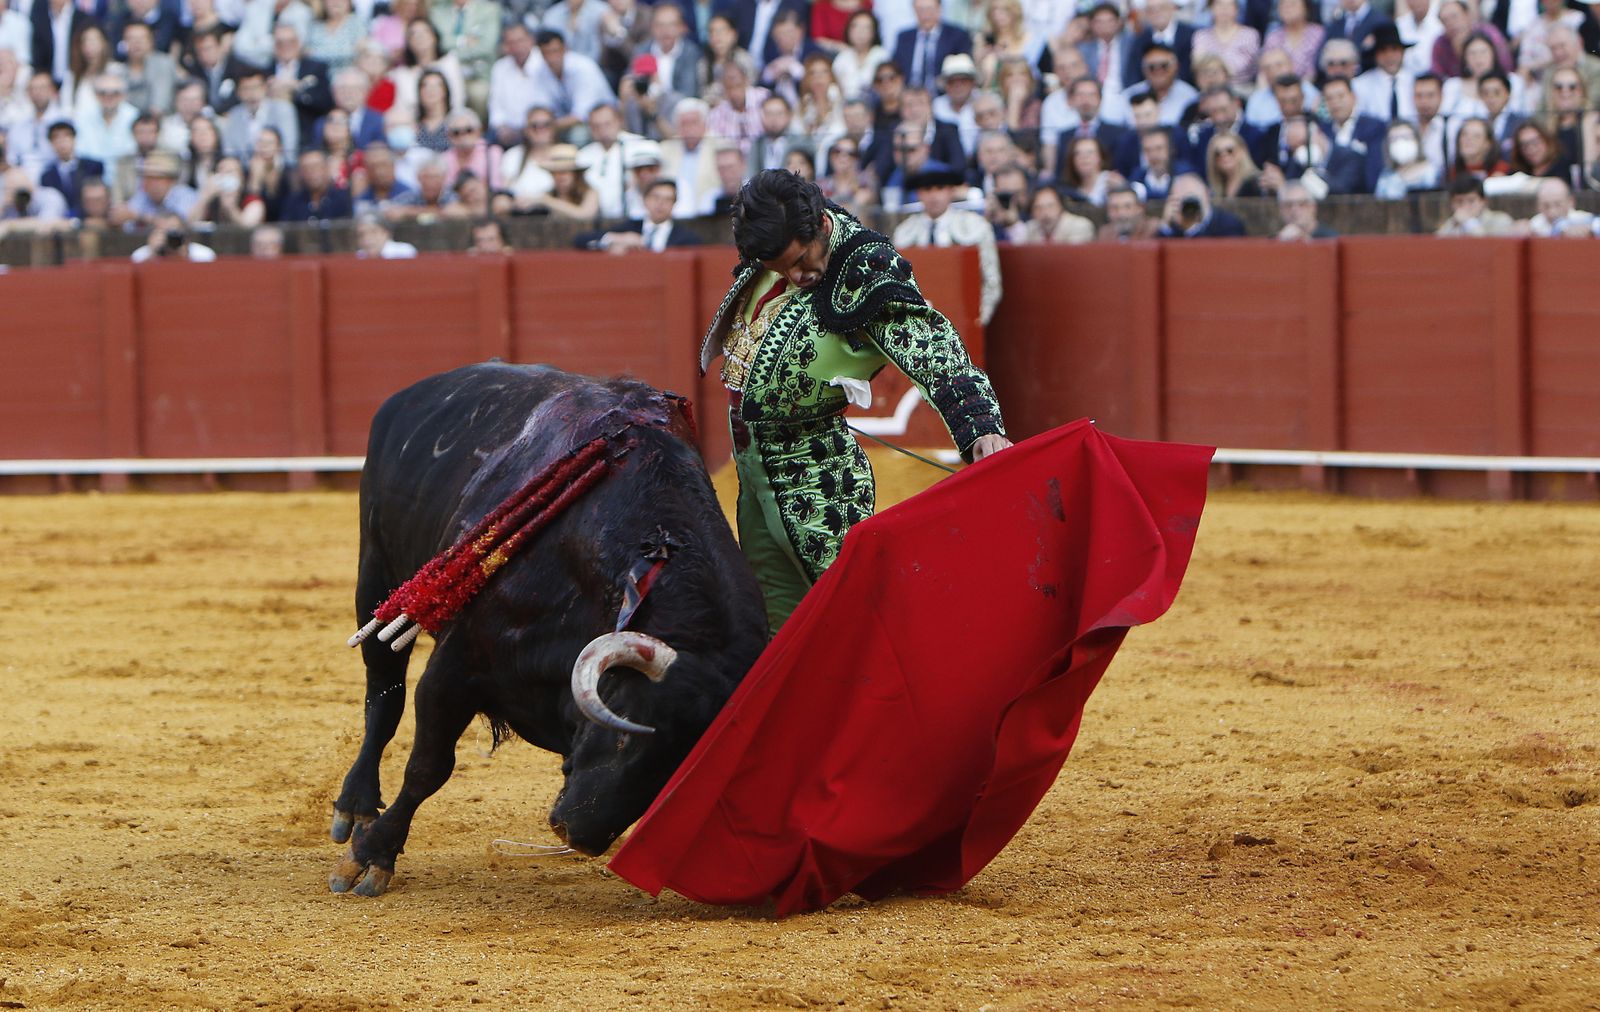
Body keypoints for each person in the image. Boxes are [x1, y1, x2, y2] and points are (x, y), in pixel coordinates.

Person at [705, 169, 1010, 629]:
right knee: (774, 621)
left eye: (802, 260)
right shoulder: (777, 244)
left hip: (816, 475)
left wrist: (980, 425)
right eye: (780, 269)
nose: (796, 276)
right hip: (753, 466)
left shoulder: (865, 267)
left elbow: (931, 346)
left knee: (862, 617)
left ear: (822, 226)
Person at [893, 164, 1002, 323]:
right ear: (919, 193)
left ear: (951, 190)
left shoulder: (975, 227)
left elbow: (991, 280)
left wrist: (977, 319)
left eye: (940, 188)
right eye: (927, 189)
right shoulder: (904, 233)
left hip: (962, 318)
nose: (934, 195)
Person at [581, 177, 703, 250]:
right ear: (645, 200)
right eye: (656, 197)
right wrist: (617, 239)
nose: (660, 204)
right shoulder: (630, 227)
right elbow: (582, 240)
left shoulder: (687, 237)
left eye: (667, 199)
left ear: (674, 204)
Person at [1157, 172, 1246, 236]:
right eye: (1183, 200)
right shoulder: (1173, 230)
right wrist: (1165, 226)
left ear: (1207, 195)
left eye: (1193, 198)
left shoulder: (1228, 224)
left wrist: (1191, 228)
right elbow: (1157, 257)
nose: (1189, 206)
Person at [1435, 174, 1516, 235]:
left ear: (1483, 201)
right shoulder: (1450, 224)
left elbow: (1489, 248)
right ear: (1452, 203)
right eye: (1459, 201)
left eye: (1471, 201)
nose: (1465, 206)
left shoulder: (1501, 220)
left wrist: (1469, 223)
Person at [1014, 183, 1093, 243]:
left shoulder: (1080, 226)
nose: (1045, 213)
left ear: (1061, 207)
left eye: (1050, 206)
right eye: (1038, 208)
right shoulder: (1029, 230)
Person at [1522, 176, 1593, 236]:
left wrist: (1591, 232)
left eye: (1558, 205)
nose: (1552, 212)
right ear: (1538, 205)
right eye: (1546, 206)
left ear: (1571, 202)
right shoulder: (1535, 225)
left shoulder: (1586, 220)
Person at [129, 213, 217, 261]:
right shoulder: (141, 255)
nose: (169, 237)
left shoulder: (204, 254)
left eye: (173, 232)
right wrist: (153, 254)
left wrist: (184, 255)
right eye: (164, 232)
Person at [355, 210, 419, 256]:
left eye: (373, 232)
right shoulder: (359, 256)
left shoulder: (404, 252)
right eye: (361, 234)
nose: (367, 238)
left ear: (386, 233)